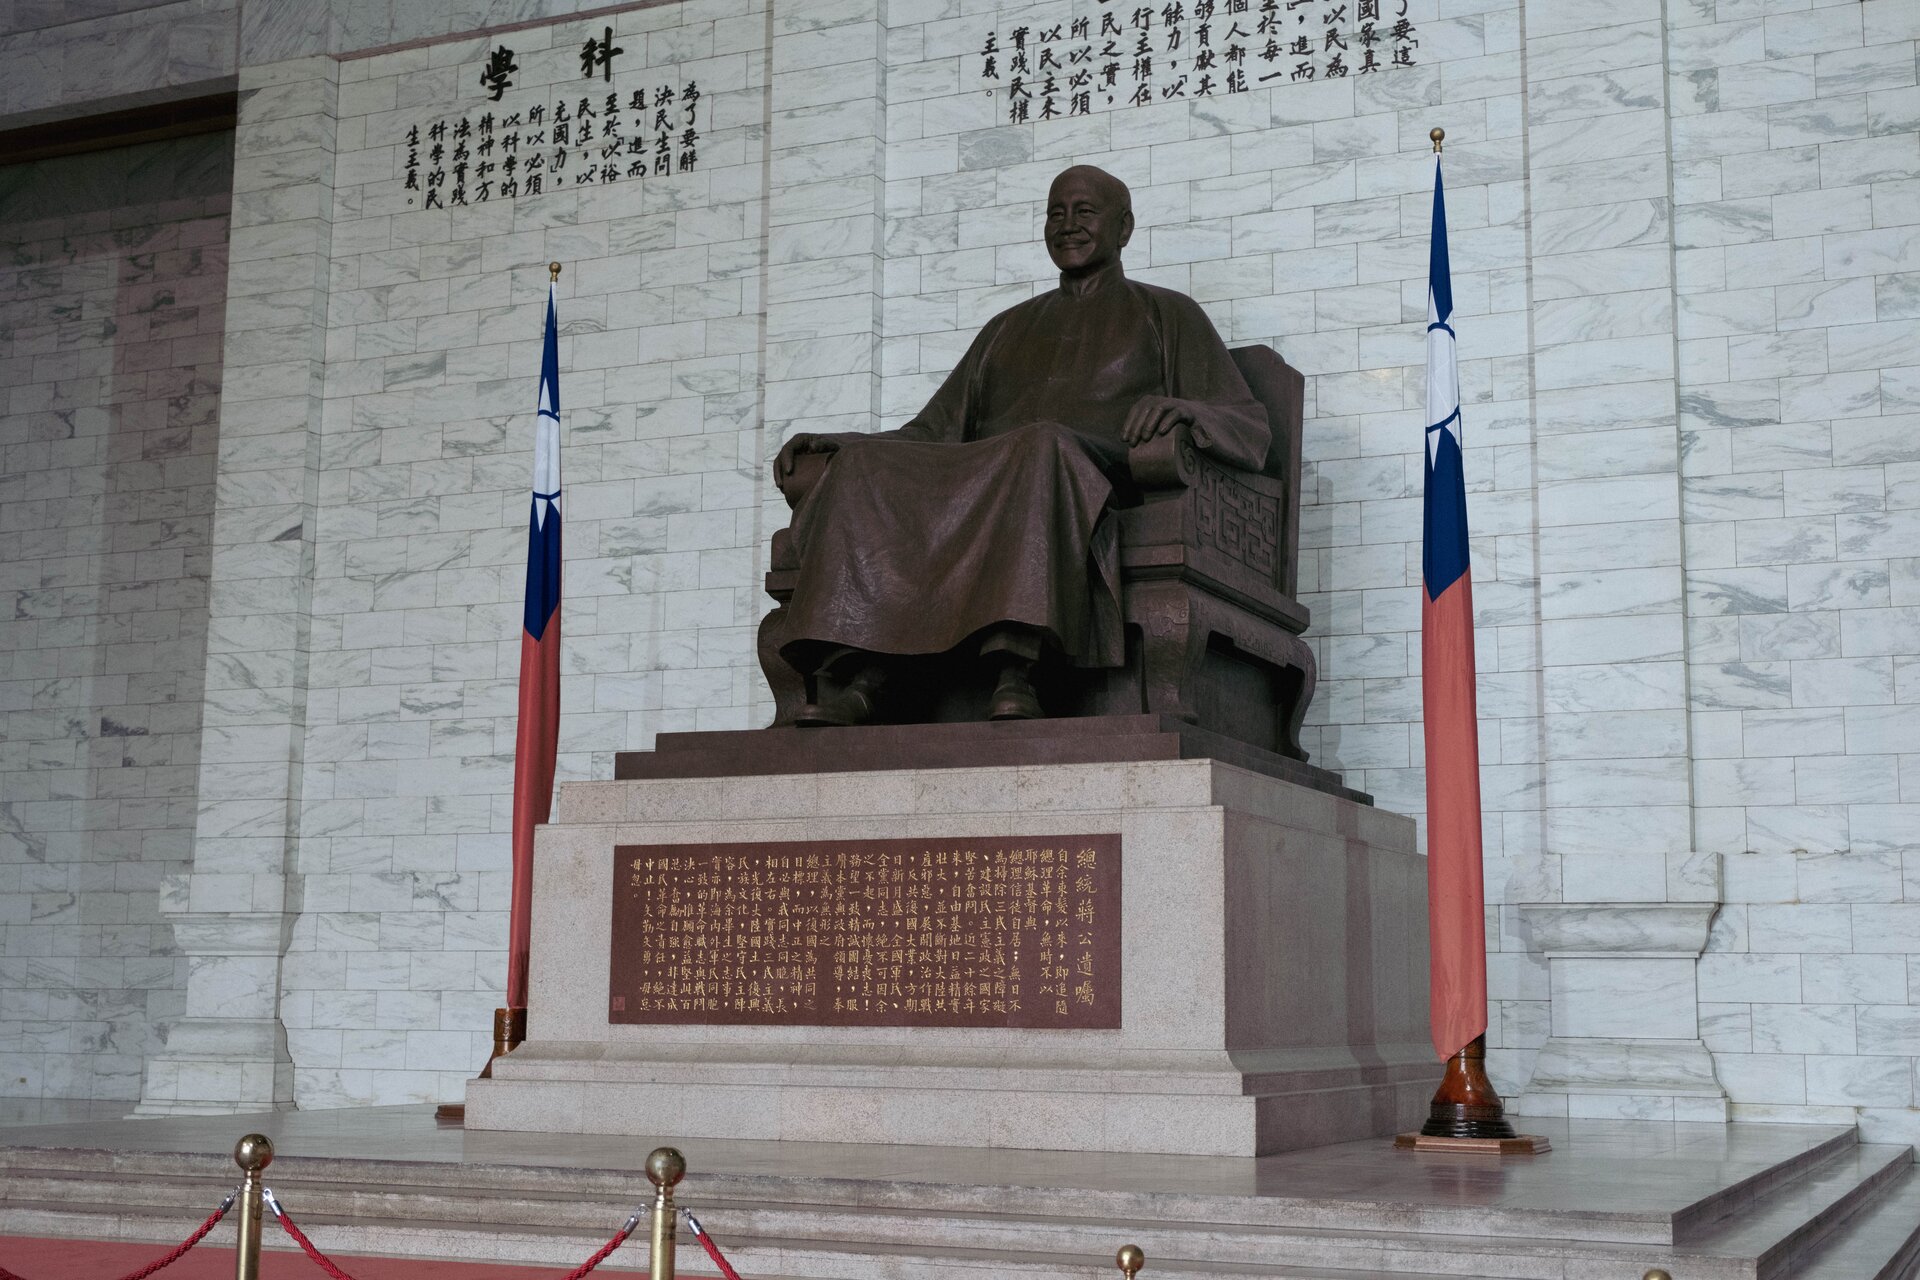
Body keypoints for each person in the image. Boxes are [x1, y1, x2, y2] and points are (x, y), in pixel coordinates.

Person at [773, 164, 1271, 726]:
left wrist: (1187, 409)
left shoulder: (1167, 313)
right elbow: (933, 430)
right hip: (998, 474)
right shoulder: (1006, 328)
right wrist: (843, 444)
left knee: (1041, 443)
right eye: (1056, 213)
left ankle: (1016, 671)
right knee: (865, 464)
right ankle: (869, 676)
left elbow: (1250, 426)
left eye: (1085, 212)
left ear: (1124, 227)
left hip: (1095, 471)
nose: (1068, 224)